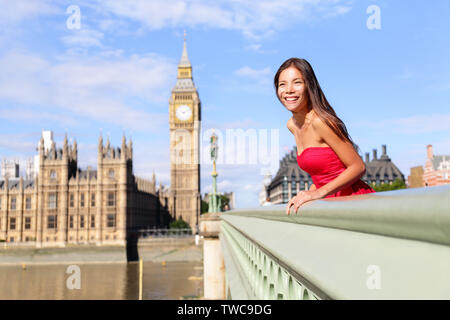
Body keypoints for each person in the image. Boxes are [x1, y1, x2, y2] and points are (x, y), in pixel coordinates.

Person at [274, 58, 375, 215]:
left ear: (309, 86)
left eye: (297, 83)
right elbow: (322, 175)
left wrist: (317, 194)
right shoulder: (292, 125)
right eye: (282, 84)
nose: (289, 90)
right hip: (330, 204)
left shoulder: (321, 121)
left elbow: (358, 167)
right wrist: (305, 194)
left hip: (354, 203)